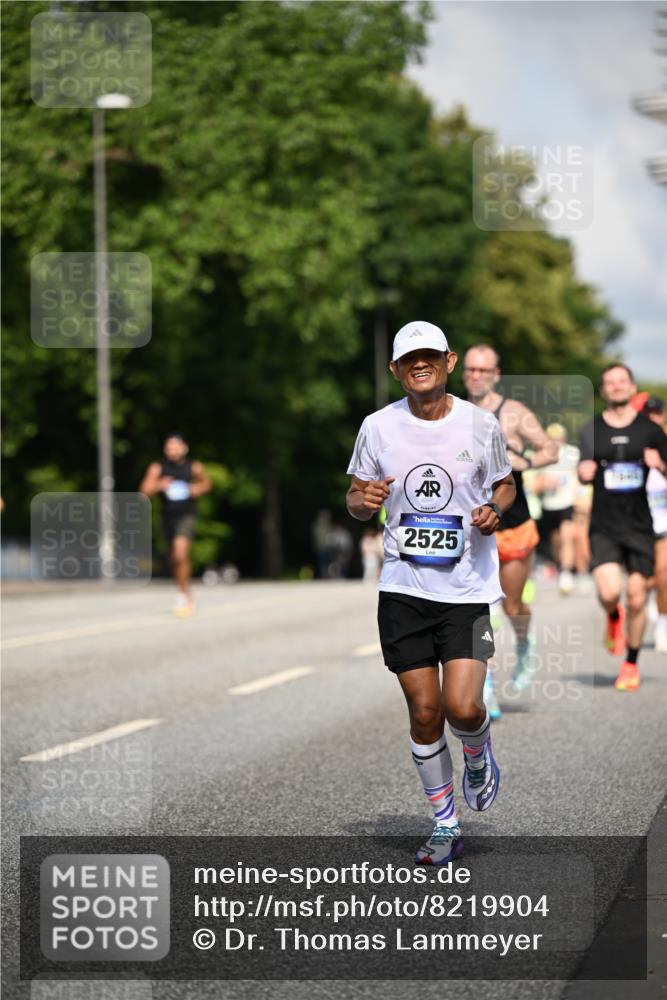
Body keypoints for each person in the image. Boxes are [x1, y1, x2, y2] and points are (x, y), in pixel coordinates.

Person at [346, 321, 515, 865]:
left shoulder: (481, 424)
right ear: (395, 370)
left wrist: (496, 508)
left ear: (448, 361)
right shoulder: (377, 427)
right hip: (403, 587)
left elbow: (506, 482)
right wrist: (363, 499)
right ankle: (445, 825)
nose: (419, 365)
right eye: (407, 359)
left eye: (429, 357)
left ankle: (477, 747)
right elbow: (354, 497)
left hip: (466, 589)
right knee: (425, 711)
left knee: (463, 707)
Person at [463, 346, 558, 697]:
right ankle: (484, 680)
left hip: (514, 522)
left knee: (511, 605)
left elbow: (551, 448)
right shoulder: (453, 412)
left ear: (496, 374)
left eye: (483, 370)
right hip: (470, 523)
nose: (476, 376)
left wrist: (522, 464)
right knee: (477, 608)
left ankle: (523, 644)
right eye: (471, 369)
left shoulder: (514, 412)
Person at [578, 366, 667, 689]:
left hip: (640, 526)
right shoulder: (590, 430)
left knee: (637, 598)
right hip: (604, 524)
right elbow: (582, 469)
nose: (617, 387)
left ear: (631, 387)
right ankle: (612, 617)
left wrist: (660, 464)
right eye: (610, 382)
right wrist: (582, 471)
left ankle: (630, 664)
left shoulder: (652, 431)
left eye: (622, 381)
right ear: (603, 390)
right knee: (609, 592)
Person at [140, 433, 211, 616]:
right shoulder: (158, 468)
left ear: (184, 448)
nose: (172, 450)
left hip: (187, 515)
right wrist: (159, 485)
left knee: (180, 553)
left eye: (175, 446)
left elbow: (206, 484)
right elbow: (144, 491)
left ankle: (182, 595)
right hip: (167, 517)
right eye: (169, 447)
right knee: (174, 558)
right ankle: (184, 591)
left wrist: (196, 489)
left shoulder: (193, 467)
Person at [532, 423, 580, 595]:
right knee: (556, 541)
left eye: (558, 439)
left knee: (568, 536)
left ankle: (566, 573)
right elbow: (533, 486)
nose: (556, 443)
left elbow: (580, 478)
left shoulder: (573, 454)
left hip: (567, 501)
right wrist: (544, 483)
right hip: (548, 504)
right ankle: (560, 567)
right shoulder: (541, 456)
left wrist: (580, 495)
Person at [642, 397, 667, 652]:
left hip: (663, 523)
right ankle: (648, 599)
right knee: (645, 581)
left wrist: (659, 465)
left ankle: (662, 624)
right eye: (648, 414)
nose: (653, 418)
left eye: (657, 414)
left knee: (664, 577)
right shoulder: (632, 446)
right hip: (637, 525)